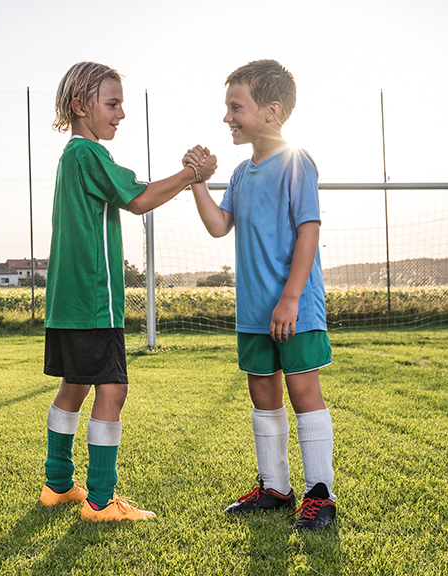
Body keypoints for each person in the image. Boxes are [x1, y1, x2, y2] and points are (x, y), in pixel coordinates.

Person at [39, 61, 217, 522]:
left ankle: (56, 484)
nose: (120, 114)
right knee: (113, 388)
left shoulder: (71, 157)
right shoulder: (89, 155)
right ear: (81, 106)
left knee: (75, 385)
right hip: (95, 300)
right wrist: (191, 174)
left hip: (67, 301)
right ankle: (101, 500)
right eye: (112, 103)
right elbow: (138, 199)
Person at [183, 59, 336, 531]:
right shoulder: (241, 173)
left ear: (271, 111)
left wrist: (291, 297)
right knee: (262, 393)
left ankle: (320, 495)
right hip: (253, 312)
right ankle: (275, 487)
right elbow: (218, 226)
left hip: (294, 309)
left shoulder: (296, 161)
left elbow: (308, 231)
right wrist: (197, 180)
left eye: (236, 107)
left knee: (303, 390)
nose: (228, 117)